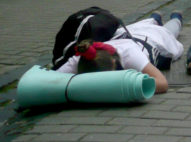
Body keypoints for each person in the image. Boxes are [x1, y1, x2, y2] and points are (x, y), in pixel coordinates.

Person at [56, 12, 184, 94]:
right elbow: (50, 79)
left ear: (114, 61)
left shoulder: (130, 54)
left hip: (154, 38)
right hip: (127, 33)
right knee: (146, 22)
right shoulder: (82, 58)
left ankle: (175, 16)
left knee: (170, 30)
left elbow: (162, 83)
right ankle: (155, 17)